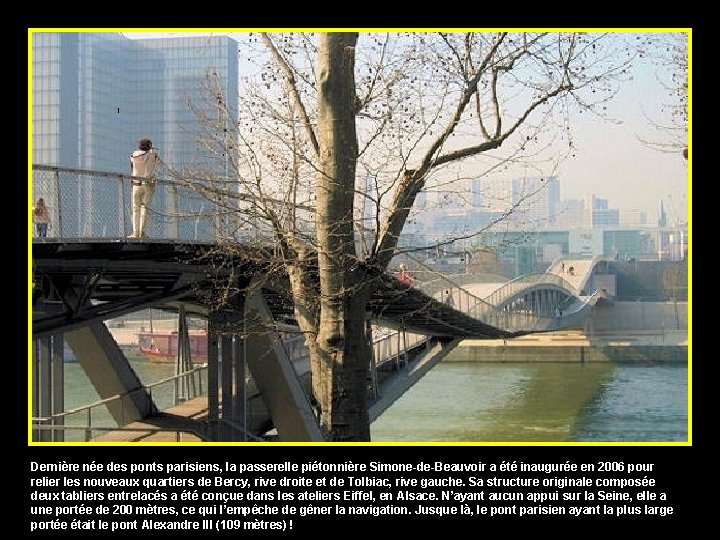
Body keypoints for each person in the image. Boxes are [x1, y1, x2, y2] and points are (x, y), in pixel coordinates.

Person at [128, 138, 160, 239]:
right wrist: (152, 150)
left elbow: (132, 167)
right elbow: (157, 161)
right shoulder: (152, 155)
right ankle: (142, 232)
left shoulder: (133, 155)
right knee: (145, 209)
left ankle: (135, 233)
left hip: (136, 184)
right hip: (148, 184)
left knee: (135, 209)